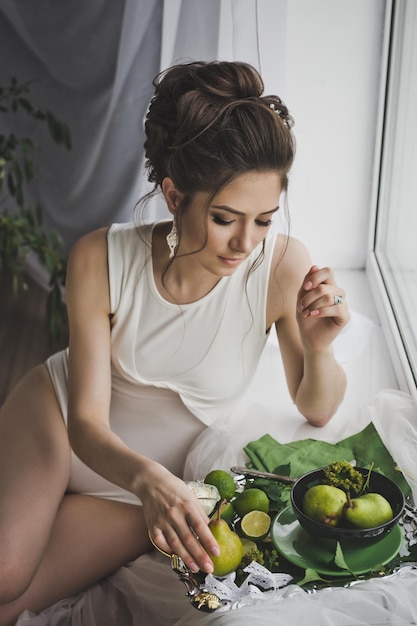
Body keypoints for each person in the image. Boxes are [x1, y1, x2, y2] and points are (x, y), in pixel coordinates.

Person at [0, 60, 349, 623]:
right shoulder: (99, 257)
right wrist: (152, 481)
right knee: (4, 572)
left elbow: (316, 405)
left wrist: (320, 345)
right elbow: (87, 423)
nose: (245, 242)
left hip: (134, 494)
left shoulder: (281, 266)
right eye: (224, 217)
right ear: (173, 195)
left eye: (264, 219)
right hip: (60, 422)